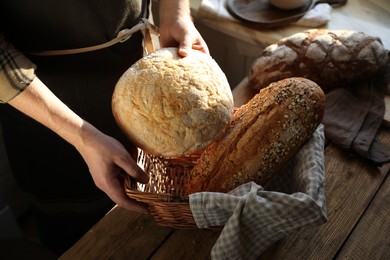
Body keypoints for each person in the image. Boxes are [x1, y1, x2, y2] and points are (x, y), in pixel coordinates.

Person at [0, 0, 209, 255]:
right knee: (85, 244)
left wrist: (175, 14)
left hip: (139, 84)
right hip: (47, 111)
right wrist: (81, 136)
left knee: (151, 234)